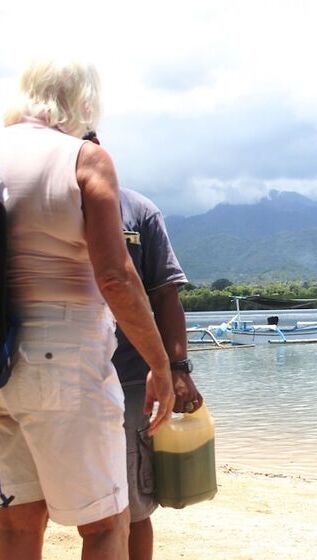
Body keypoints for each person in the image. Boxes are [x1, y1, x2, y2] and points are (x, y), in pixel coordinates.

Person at [0, 60, 174, 559]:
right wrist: (161, 364)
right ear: (85, 101)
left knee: (15, 525)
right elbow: (116, 276)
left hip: (1, 361)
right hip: (65, 359)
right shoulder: (84, 157)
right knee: (104, 526)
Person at [114, 183, 203, 559]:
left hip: (130, 382)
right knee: (27, 509)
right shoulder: (22, 194)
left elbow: (166, 294)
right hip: (35, 374)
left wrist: (177, 369)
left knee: (131, 508)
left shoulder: (137, 210)